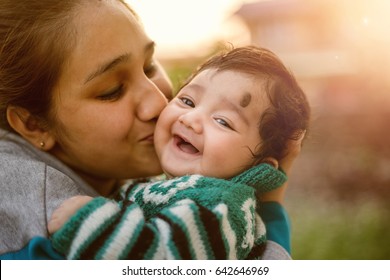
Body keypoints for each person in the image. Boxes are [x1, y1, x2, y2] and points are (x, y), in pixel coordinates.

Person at [0, 0, 300, 260]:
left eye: (149, 65)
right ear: (33, 124)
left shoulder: (122, 172)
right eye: (112, 90)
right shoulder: (39, 230)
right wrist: (271, 217)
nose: (159, 104)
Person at [48, 46, 310, 260]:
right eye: (187, 101)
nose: (190, 119)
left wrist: (88, 220)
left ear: (260, 169)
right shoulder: (169, 187)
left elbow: (157, 259)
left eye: (222, 121)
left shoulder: (222, 209)